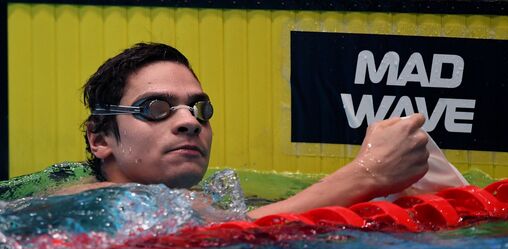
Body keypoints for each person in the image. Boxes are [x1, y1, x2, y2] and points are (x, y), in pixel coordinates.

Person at [64, 42, 430, 219]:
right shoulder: (91, 205)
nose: (190, 121)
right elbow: (234, 235)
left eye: (199, 108)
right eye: (156, 108)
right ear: (100, 139)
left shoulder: (200, 201)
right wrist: (368, 173)